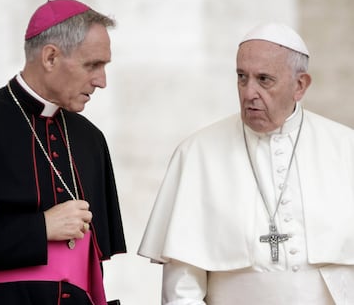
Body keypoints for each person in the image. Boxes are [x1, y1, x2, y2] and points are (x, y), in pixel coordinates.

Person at [138, 22, 354, 304]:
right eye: (242, 77)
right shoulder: (197, 153)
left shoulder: (346, 147)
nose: (249, 92)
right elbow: (182, 286)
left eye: (264, 79)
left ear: (300, 85)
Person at [0, 0, 126, 305]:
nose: (101, 81)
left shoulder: (90, 138)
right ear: (51, 57)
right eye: (92, 65)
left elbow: (92, 264)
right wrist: (39, 228)